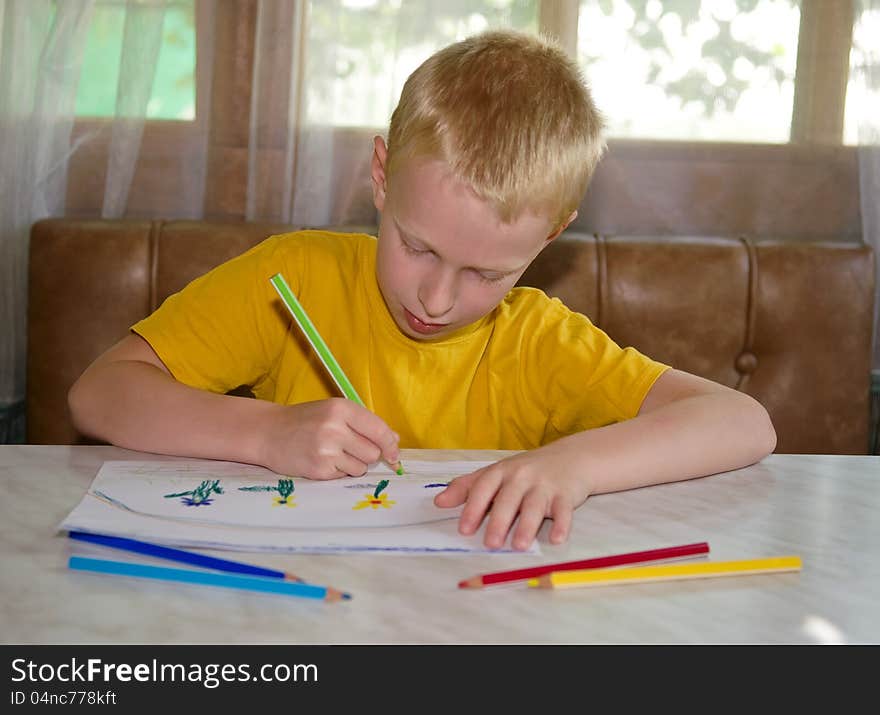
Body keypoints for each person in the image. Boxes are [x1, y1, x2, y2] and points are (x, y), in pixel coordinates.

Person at [68, 29, 776, 551]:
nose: (436, 299)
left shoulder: (536, 340)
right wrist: (266, 432)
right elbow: (97, 394)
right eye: (417, 246)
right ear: (381, 175)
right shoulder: (294, 278)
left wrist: (574, 465)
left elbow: (744, 422)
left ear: (552, 235)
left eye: (486, 274)